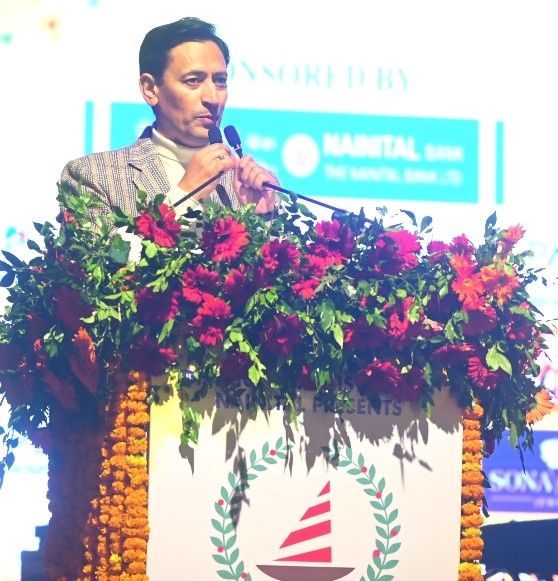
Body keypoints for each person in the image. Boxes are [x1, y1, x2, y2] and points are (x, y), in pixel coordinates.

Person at [60, 16, 279, 223]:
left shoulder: (257, 184)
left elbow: (284, 251)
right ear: (150, 89)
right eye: (193, 80)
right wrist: (185, 194)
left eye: (220, 81)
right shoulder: (92, 176)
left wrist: (262, 220)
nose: (213, 98)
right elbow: (102, 252)